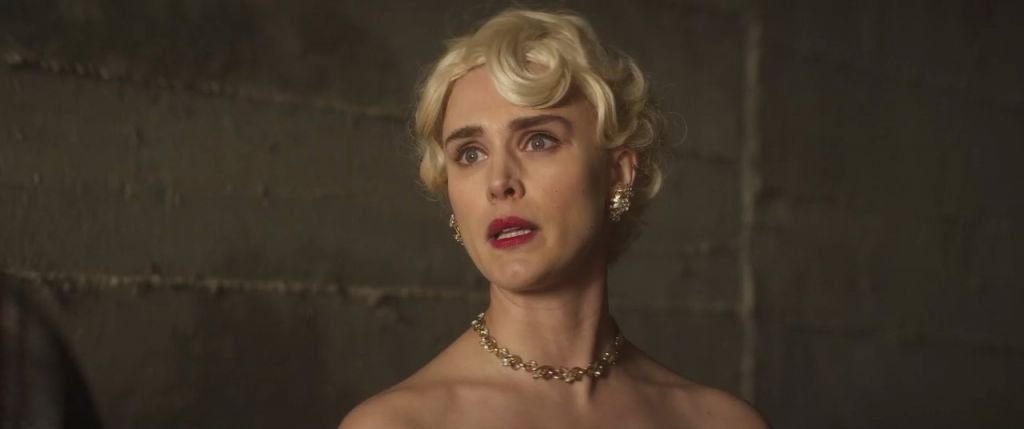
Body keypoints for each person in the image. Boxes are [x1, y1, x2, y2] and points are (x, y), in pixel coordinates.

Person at [340, 8, 768, 428]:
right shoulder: (395, 423)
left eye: (538, 141)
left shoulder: (724, 422)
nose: (499, 182)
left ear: (618, 172)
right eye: (470, 154)